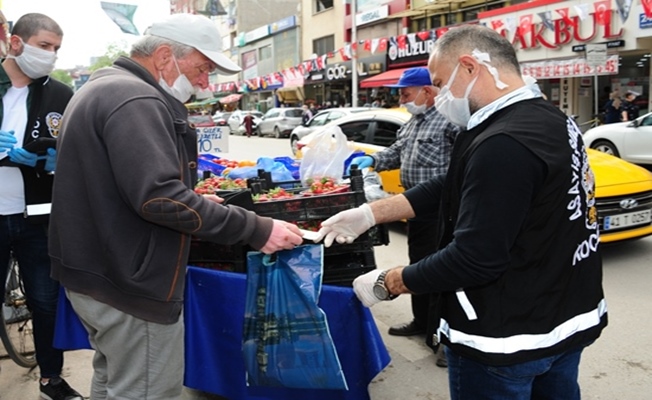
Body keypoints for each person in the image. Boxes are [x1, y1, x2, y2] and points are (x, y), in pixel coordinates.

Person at [314, 25, 607, 399]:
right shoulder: (549, 119)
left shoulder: (502, 142)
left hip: (505, 341)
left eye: (439, 82)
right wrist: (371, 213)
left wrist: (389, 282)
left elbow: (474, 259)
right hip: (564, 321)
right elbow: (452, 184)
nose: (436, 96)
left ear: (469, 67)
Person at [48, 13, 304, 399]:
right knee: (146, 388)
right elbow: (159, 197)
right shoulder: (135, 97)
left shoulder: (105, 87)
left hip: (97, 271)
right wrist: (257, 229)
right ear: (165, 56)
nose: (205, 82)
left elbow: (125, 185)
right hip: (129, 281)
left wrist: (193, 198)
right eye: (202, 69)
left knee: (114, 380)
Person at [347, 67, 458, 368]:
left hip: (444, 211)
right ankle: (422, 321)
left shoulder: (451, 123)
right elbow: (396, 152)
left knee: (442, 272)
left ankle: (445, 339)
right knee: (419, 266)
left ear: (428, 91)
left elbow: (464, 166)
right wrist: (372, 160)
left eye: (406, 93)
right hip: (415, 210)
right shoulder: (412, 124)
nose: (402, 98)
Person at [0, 13, 83, 400]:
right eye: (44, 46)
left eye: (56, 49)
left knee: (46, 301)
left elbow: (77, 154)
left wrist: (51, 161)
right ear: (16, 42)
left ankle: (52, 378)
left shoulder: (61, 96)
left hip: (36, 218)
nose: (50, 56)